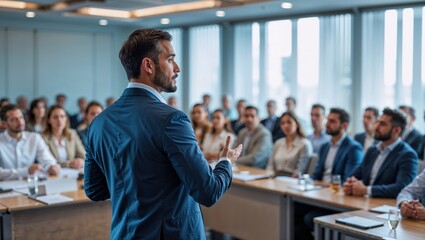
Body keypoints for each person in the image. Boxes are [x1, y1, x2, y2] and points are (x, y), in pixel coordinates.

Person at [84, 28, 242, 239]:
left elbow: (95, 190)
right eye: (170, 59)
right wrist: (226, 163)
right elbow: (208, 191)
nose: (177, 68)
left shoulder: (99, 123)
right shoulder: (172, 120)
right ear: (148, 65)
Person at [344, 108, 418, 198]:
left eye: (382, 124)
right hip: (364, 201)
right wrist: (350, 183)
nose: (376, 126)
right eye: (377, 122)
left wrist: (366, 190)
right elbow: (355, 175)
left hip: (385, 206)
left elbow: (401, 188)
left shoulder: (408, 155)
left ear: (397, 130)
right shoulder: (372, 150)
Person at [0, 105, 60, 180]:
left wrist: (50, 166)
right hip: (5, 188)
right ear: (4, 123)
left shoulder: (34, 138)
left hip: (30, 185)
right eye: (14, 119)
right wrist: (26, 171)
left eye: (21, 117)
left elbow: (47, 158)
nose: (20, 122)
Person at [312, 108, 363, 182]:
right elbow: (316, 175)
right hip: (318, 188)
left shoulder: (354, 148)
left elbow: (348, 179)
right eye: (327, 120)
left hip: (336, 191)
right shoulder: (324, 147)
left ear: (344, 125)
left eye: (332, 121)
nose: (327, 124)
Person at [267, 111, 312, 176]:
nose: (286, 126)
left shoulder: (304, 144)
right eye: (283, 123)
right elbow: (270, 165)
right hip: (274, 178)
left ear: (297, 124)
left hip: (291, 181)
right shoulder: (278, 143)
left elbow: (299, 171)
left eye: (289, 122)